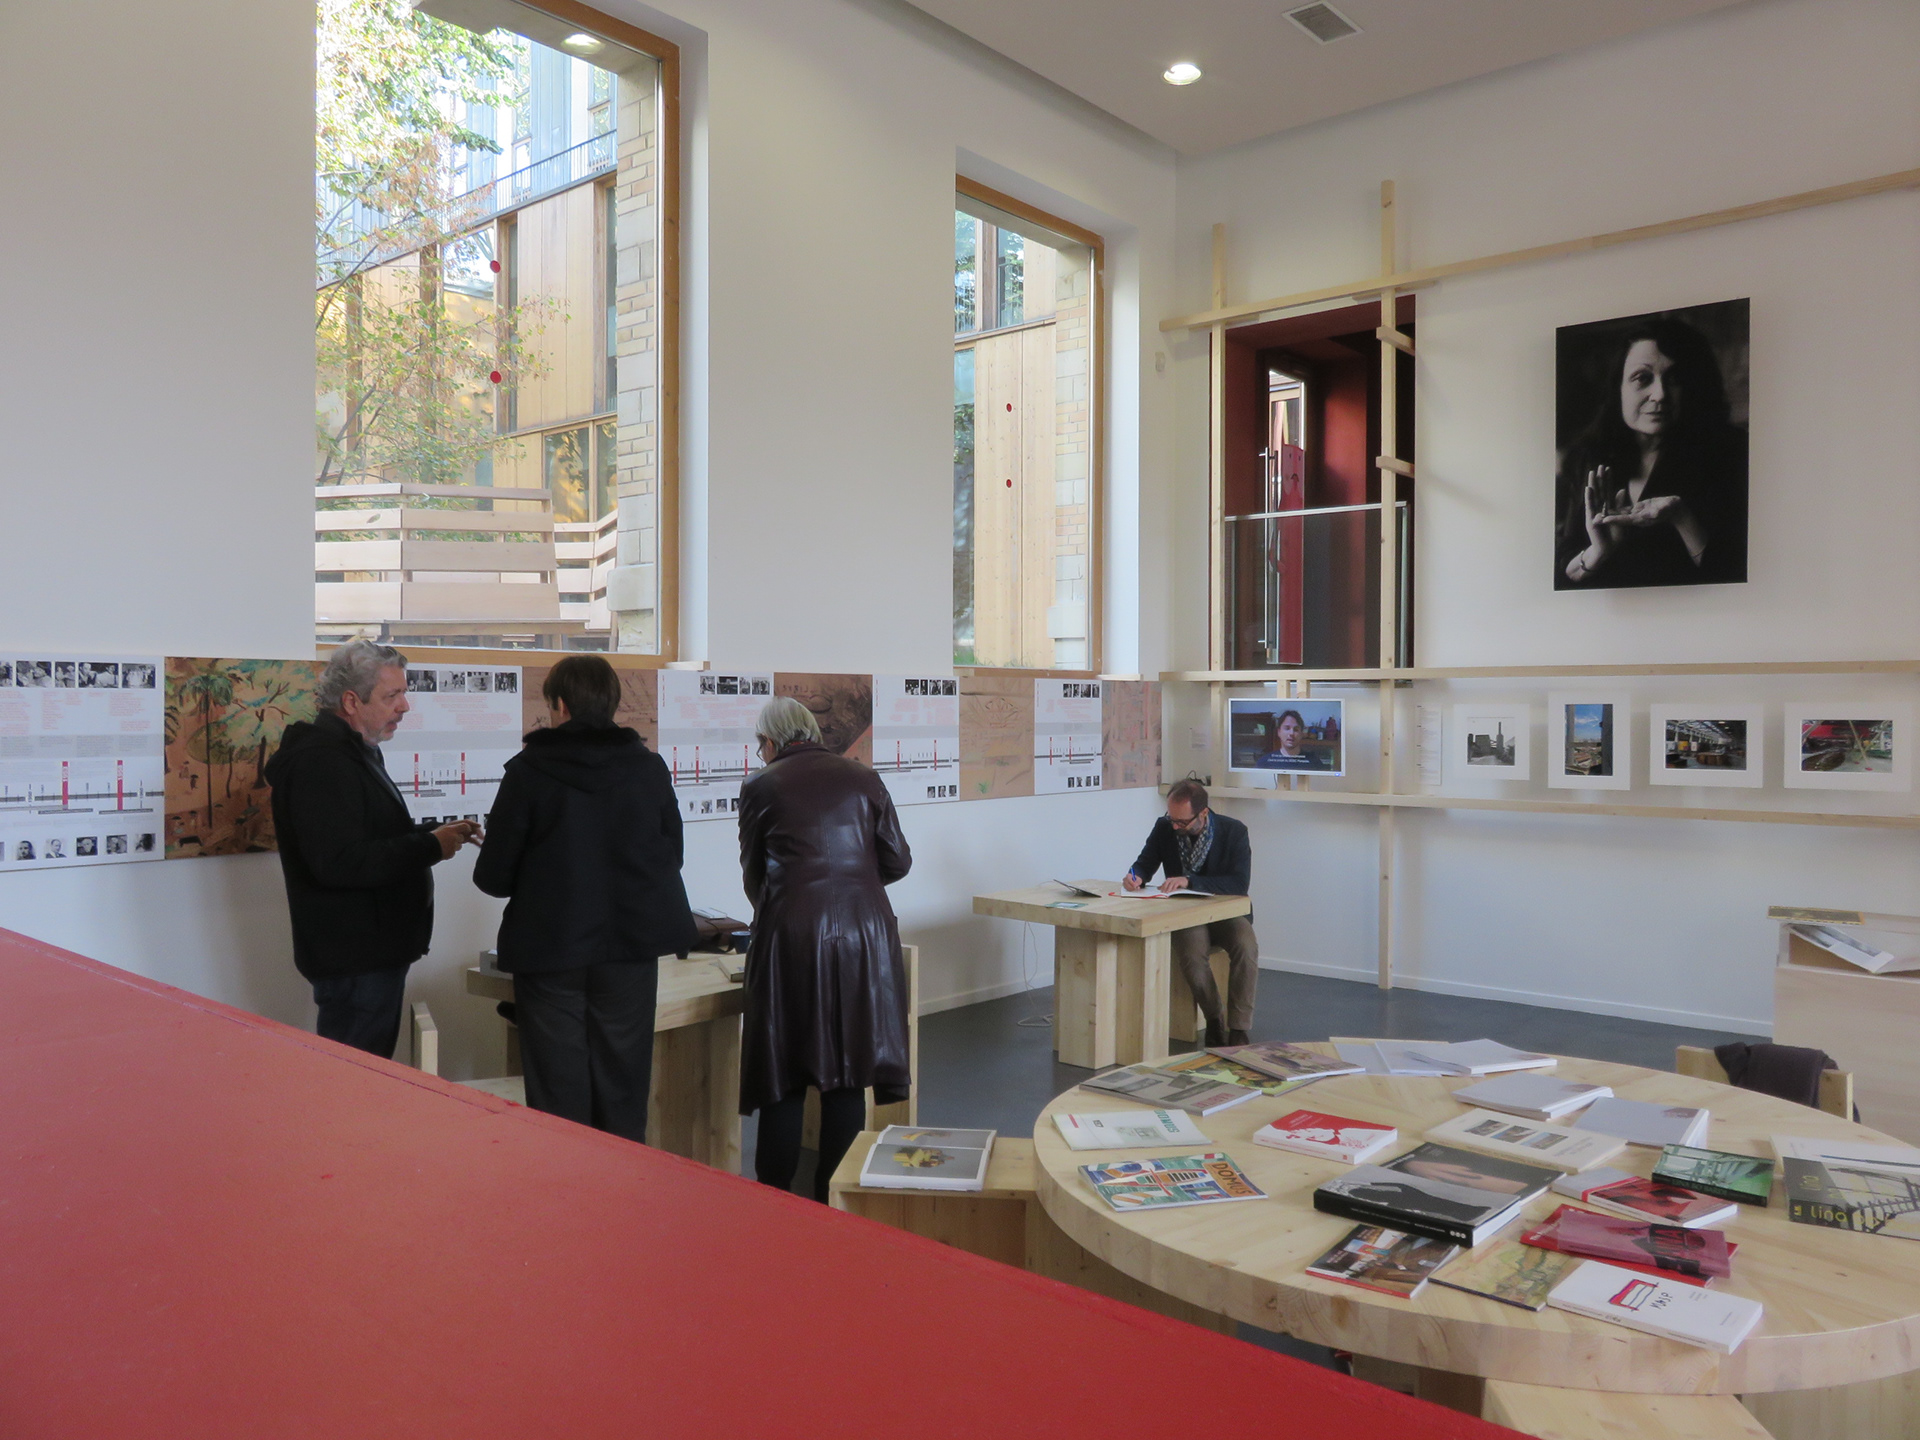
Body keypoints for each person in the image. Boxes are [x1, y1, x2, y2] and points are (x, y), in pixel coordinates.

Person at [472, 655, 694, 1142]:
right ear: (612, 705)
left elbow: (494, 878)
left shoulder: (528, 772)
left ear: (561, 706)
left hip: (550, 950)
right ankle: (624, 1182)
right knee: (624, 1082)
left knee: (557, 1090)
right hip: (630, 948)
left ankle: (567, 1184)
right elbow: (671, 856)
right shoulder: (649, 769)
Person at [265, 641, 480, 1058]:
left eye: (403, 693)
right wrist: (430, 846)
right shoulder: (322, 762)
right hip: (356, 961)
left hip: (370, 957)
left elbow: (371, 836)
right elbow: (339, 862)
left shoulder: (353, 753)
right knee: (354, 1085)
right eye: (392, 695)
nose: (404, 707)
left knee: (365, 1079)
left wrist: (436, 834)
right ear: (351, 701)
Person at [737, 695, 912, 1200]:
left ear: (770, 741)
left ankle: (773, 1198)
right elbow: (898, 861)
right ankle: (832, 1198)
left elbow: (754, 875)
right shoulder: (863, 778)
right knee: (848, 1072)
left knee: (785, 1071)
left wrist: (795, 899)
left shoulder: (760, 785)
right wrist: (853, 884)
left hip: (792, 936)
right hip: (865, 935)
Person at [1555, 316, 1748, 590]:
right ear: (1619, 388)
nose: (1660, 394)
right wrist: (1598, 551)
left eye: (1674, 379)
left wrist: (1681, 517)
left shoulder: (1732, 452)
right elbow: (1562, 571)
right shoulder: (1588, 456)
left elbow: (1735, 575)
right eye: (1642, 378)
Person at [1122, 779, 1257, 1048]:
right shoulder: (1165, 827)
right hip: (1185, 915)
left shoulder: (1234, 831)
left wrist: (1190, 881)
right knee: (1192, 954)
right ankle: (1214, 1018)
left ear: (1203, 813)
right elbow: (1145, 863)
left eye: (1182, 822)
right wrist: (1135, 876)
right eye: (1171, 819)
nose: (1175, 826)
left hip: (1225, 913)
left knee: (1246, 945)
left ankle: (1239, 1027)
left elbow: (1238, 884)